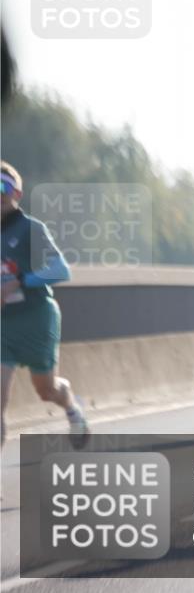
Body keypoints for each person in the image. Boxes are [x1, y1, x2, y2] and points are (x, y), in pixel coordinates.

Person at [1, 162, 88, 449]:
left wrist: (21, 281)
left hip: (36, 318)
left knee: (47, 390)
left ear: (18, 194)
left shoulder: (29, 229)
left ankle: (73, 409)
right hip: (4, 324)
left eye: (5, 187)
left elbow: (61, 270)